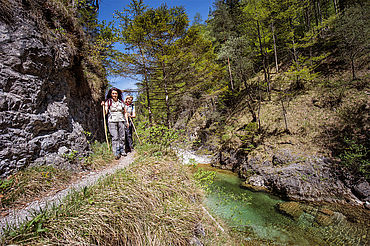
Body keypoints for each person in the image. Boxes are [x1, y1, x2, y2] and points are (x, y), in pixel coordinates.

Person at [101, 88, 129, 159]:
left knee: (122, 136)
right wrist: (104, 106)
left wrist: (127, 121)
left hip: (121, 120)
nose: (114, 95)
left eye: (116, 93)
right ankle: (116, 152)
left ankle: (122, 150)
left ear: (118, 94)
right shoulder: (108, 102)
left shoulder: (121, 102)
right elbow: (105, 113)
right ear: (111, 94)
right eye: (113, 93)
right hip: (112, 121)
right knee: (115, 137)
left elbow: (125, 112)